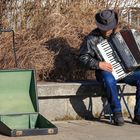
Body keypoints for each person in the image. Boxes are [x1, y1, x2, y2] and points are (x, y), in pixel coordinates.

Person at [79, 9, 140, 126]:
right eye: (104, 27)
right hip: (106, 72)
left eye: (109, 27)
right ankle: (117, 112)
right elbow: (82, 57)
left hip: (126, 72)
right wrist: (98, 64)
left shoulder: (120, 35)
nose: (107, 30)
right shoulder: (91, 39)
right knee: (109, 79)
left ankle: (138, 115)